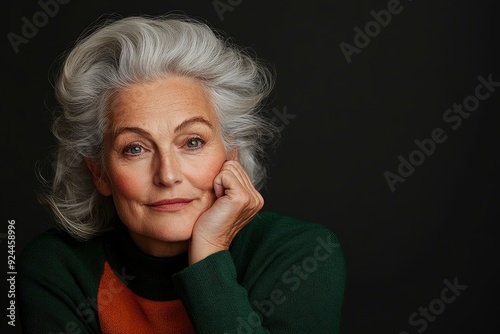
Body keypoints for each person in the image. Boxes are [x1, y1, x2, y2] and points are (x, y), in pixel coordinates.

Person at [18, 13, 346, 334]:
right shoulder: (55, 268)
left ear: (230, 154)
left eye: (192, 142)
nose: (168, 175)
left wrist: (209, 256)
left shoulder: (302, 254)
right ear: (100, 173)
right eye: (135, 148)